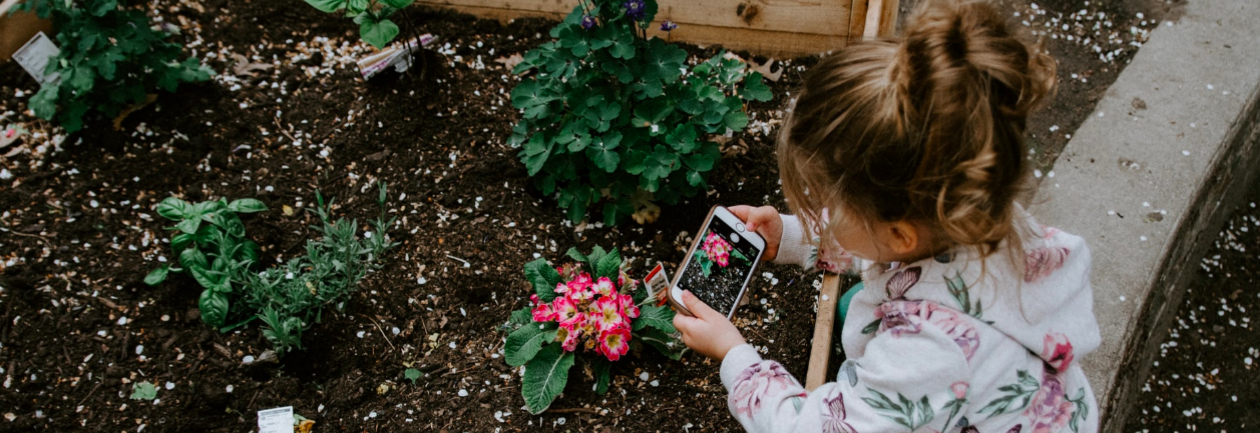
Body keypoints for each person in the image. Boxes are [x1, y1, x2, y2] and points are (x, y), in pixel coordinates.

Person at [671, 1, 1101, 432]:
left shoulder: (925, 351)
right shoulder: (972, 213)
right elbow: (884, 245)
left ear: (899, 233)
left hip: (949, 392)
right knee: (850, 305)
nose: (818, 209)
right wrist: (794, 237)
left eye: (828, 204)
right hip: (1016, 403)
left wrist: (736, 357)